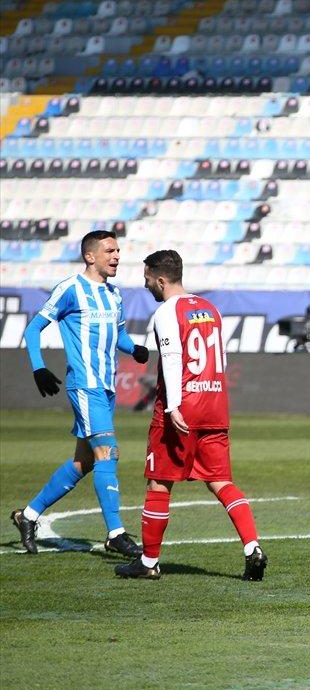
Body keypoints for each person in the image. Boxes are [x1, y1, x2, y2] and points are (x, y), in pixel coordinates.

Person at [116, 249, 267, 580]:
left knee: (159, 483)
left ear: (160, 280)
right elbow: (221, 359)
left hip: (182, 407)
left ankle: (148, 562)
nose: (146, 285)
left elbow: (171, 357)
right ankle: (252, 546)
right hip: (214, 403)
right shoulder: (210, 309)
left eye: (147, 279)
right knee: (221, 481)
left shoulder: (167, 312)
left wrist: (173, 406)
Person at [10, 230, 148, 558]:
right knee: (107, 452)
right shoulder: (70, 289)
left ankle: (27, 515)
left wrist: (135, 349)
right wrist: (39, 368)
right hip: (85, 385)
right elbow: (33, 328)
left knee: (83, 462)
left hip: (107, 386)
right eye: (109, 251)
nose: (116, 256)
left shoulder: (113, 294)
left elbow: (119, 335)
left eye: (118, 250)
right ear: (90, 256)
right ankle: (115, 533)